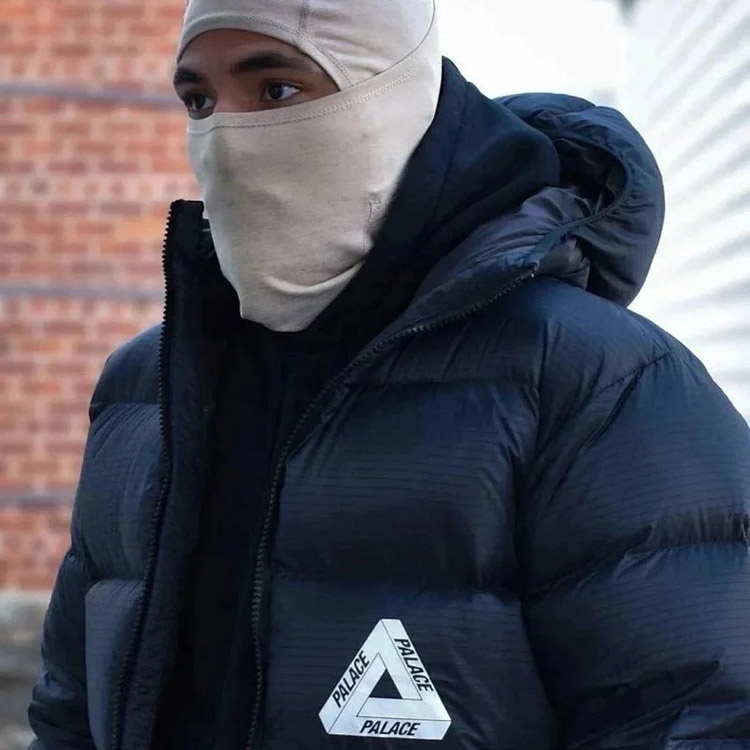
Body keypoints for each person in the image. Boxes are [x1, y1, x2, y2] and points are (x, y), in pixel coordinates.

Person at [28, 0, 750, 748]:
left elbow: (696, 721)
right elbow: (69, 711)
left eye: (277, 88)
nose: (229, 135)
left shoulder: (594, 384)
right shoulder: (146, 387)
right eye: (200, 100)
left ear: (390, 96)